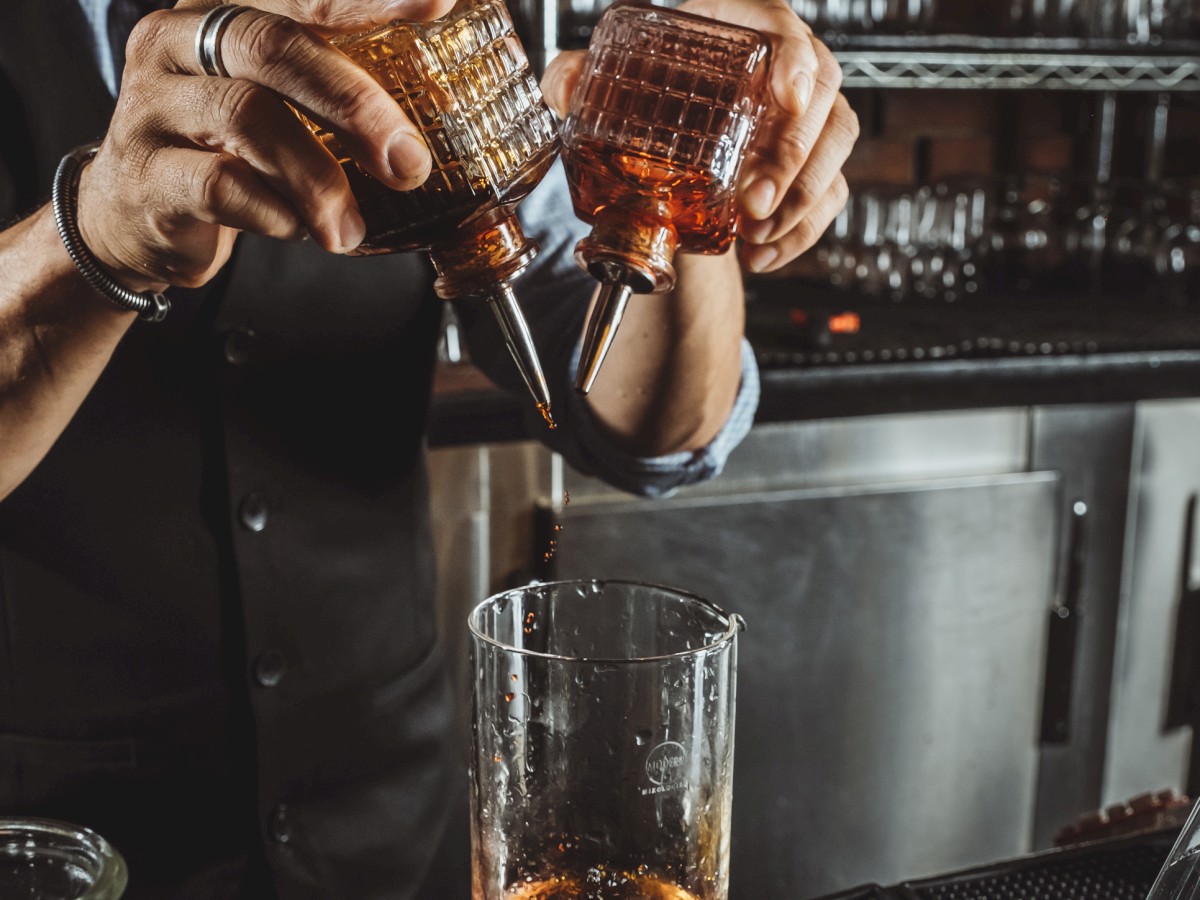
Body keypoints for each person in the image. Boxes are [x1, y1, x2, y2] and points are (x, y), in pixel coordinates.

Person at [0, 0, 858, 896]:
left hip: (385, 825)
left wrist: (681, 142)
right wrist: (91, 235)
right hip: (57, 842)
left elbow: (651, 426)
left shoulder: (431, 16)